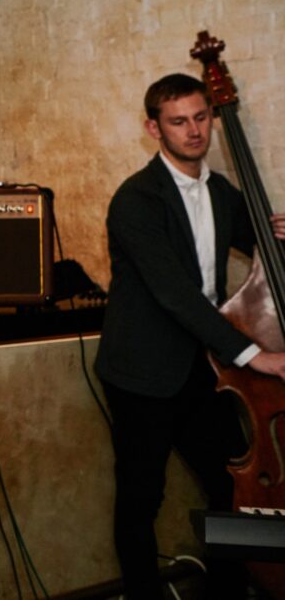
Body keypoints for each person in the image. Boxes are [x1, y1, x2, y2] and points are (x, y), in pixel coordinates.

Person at [94, 73, 285, 600]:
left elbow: (261, 251)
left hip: (203, 368)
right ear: (154, 128)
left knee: (230, 486)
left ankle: (227, 592)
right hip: (142, 372)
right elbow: (176, 295)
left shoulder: (221, 191)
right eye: (179, 121)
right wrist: (257, 356)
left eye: (202, 117)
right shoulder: (135, 200)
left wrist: (274, 233)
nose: (194, 130)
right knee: (141, 496)